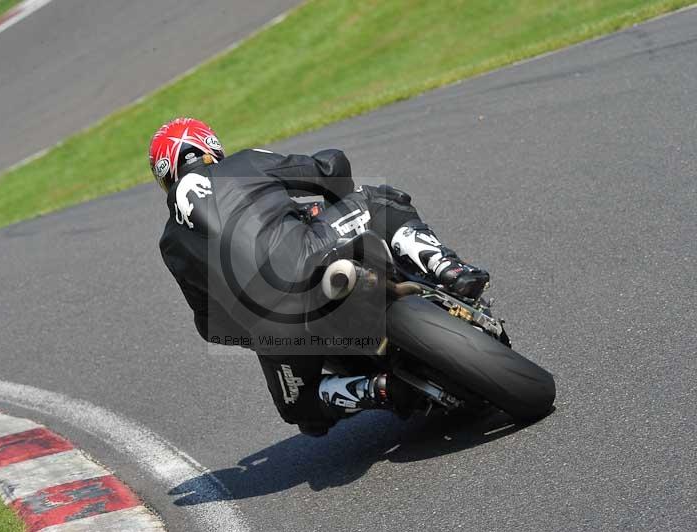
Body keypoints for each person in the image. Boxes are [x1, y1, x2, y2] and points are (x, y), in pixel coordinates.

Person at [151, 117, 490, 436]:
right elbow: (330, 168)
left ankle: (377, 390)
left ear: (165, 176)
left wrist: (257, 336)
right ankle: (448, 268)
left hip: (273, 326)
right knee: (376, 198)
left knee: (300, 408)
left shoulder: (170, 244)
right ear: (211, 147)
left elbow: (209, 324)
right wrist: (331, 192)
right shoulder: (246, 162)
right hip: (312, 253)